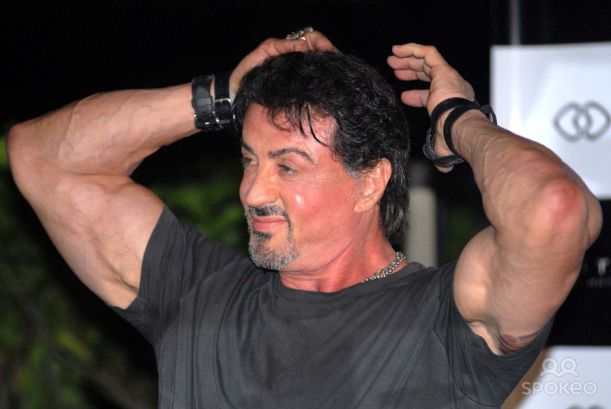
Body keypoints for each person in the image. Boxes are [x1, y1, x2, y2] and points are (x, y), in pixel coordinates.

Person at [7, 28, 602, 408]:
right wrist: (224, 94)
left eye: (287, 166)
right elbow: (42, 158)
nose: (252, 190)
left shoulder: (447, 323)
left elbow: (553, 209)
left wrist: (455, 120)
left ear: (370, 182)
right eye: (249, 159)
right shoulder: (196, 293)